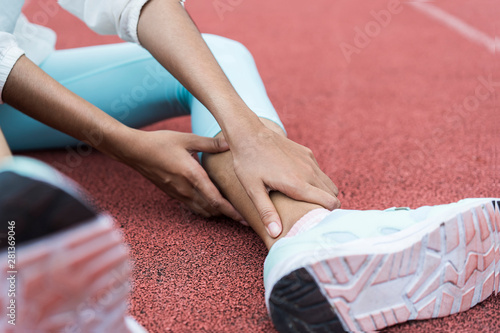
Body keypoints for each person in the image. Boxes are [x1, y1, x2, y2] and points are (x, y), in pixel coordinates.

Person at [0, 0, 498, 332]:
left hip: (18, 77)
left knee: (217, 57)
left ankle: (306, 236)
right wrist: (126, 145)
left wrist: (247, 129)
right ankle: (16, 273)